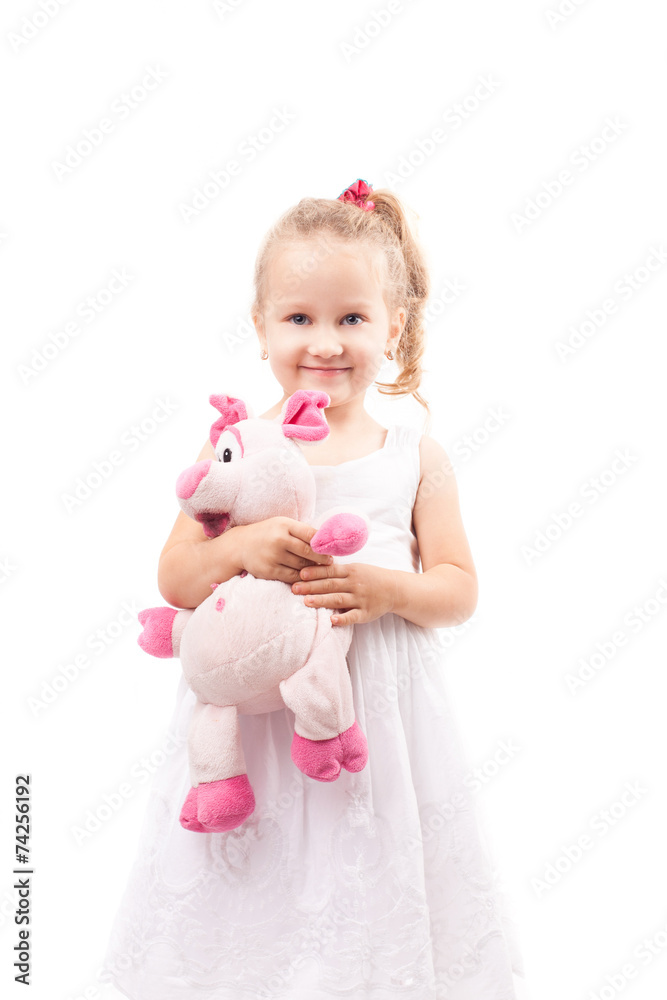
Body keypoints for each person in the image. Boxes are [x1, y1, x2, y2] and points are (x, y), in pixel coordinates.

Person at [99, 178, 528, 999]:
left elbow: (458, 587)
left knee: (362, 871)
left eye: (352, 319)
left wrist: (385, 590)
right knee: (256, 875)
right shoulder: (235, 444)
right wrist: (246, 546)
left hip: (369, 709)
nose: (324, 343)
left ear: (392, 328)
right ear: (259, 328)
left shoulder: (412, 453)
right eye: (298, 318)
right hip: (254, 711)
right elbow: (175, 575)